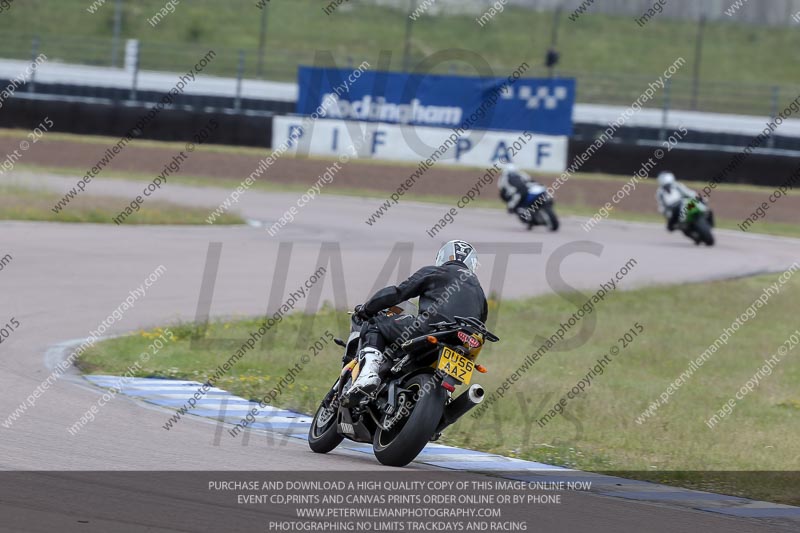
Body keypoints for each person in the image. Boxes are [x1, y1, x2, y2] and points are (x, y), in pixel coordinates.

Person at [346, 240, 488, 401]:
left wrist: (367, 309)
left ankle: (368, 375)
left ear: (443, 257)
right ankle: (446, 397)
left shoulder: (437, 272)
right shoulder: (479, 291)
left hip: (431, 330)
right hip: (462, 343)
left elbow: (397, 293)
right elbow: (481, 324)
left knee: (375, 324)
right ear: (472, 264)